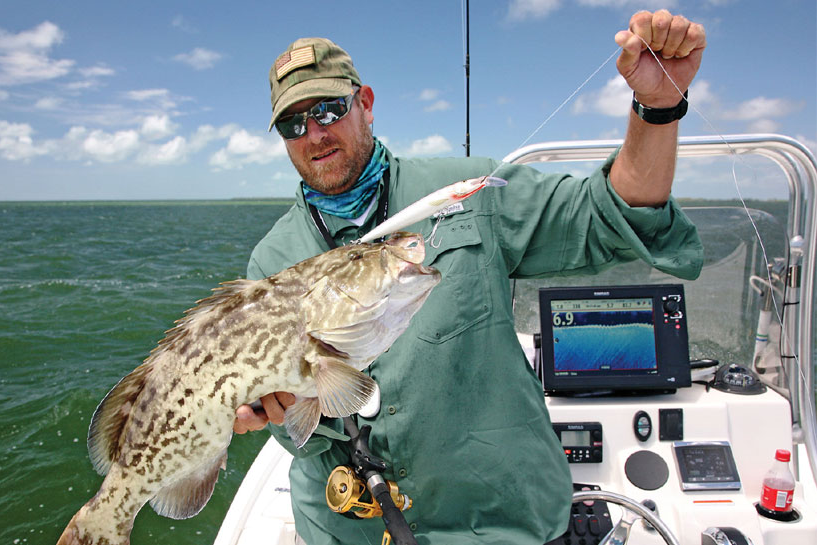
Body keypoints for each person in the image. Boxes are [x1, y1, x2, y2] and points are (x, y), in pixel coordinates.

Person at [234, 9, 706, 545]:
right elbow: (301, 435)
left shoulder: (462, 188)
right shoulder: (271, 259)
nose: (314, 134)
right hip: (348, 530)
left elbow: (611, 216)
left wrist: (658, 107)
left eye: (327, 109)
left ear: (364, 104)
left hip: (499, 522)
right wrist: (282, 408)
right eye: (294, 124)